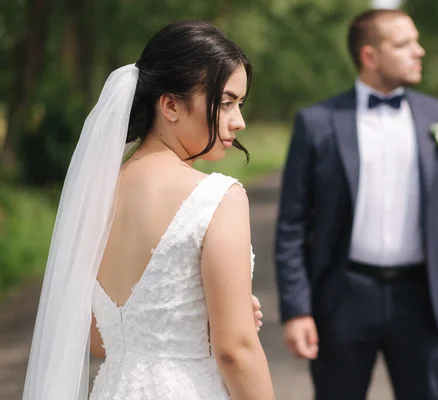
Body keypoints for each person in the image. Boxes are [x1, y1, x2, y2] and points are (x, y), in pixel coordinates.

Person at [22, 20, 275, 400]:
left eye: (239, 104)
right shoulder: (217, 196)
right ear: (170, 104)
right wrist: (225, 324)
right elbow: (235, 350)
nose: (239, 121)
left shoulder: (97, 194)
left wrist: (198, 320)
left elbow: (98, 340)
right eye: (225, 103)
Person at [275, 8, 438, 400]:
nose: (418, 51)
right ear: (370, 56)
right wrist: (296, 309)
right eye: (404, 44)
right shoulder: (316, 122)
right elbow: (292, 225)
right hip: (343, 297)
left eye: (416, 41)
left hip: (422, 299)